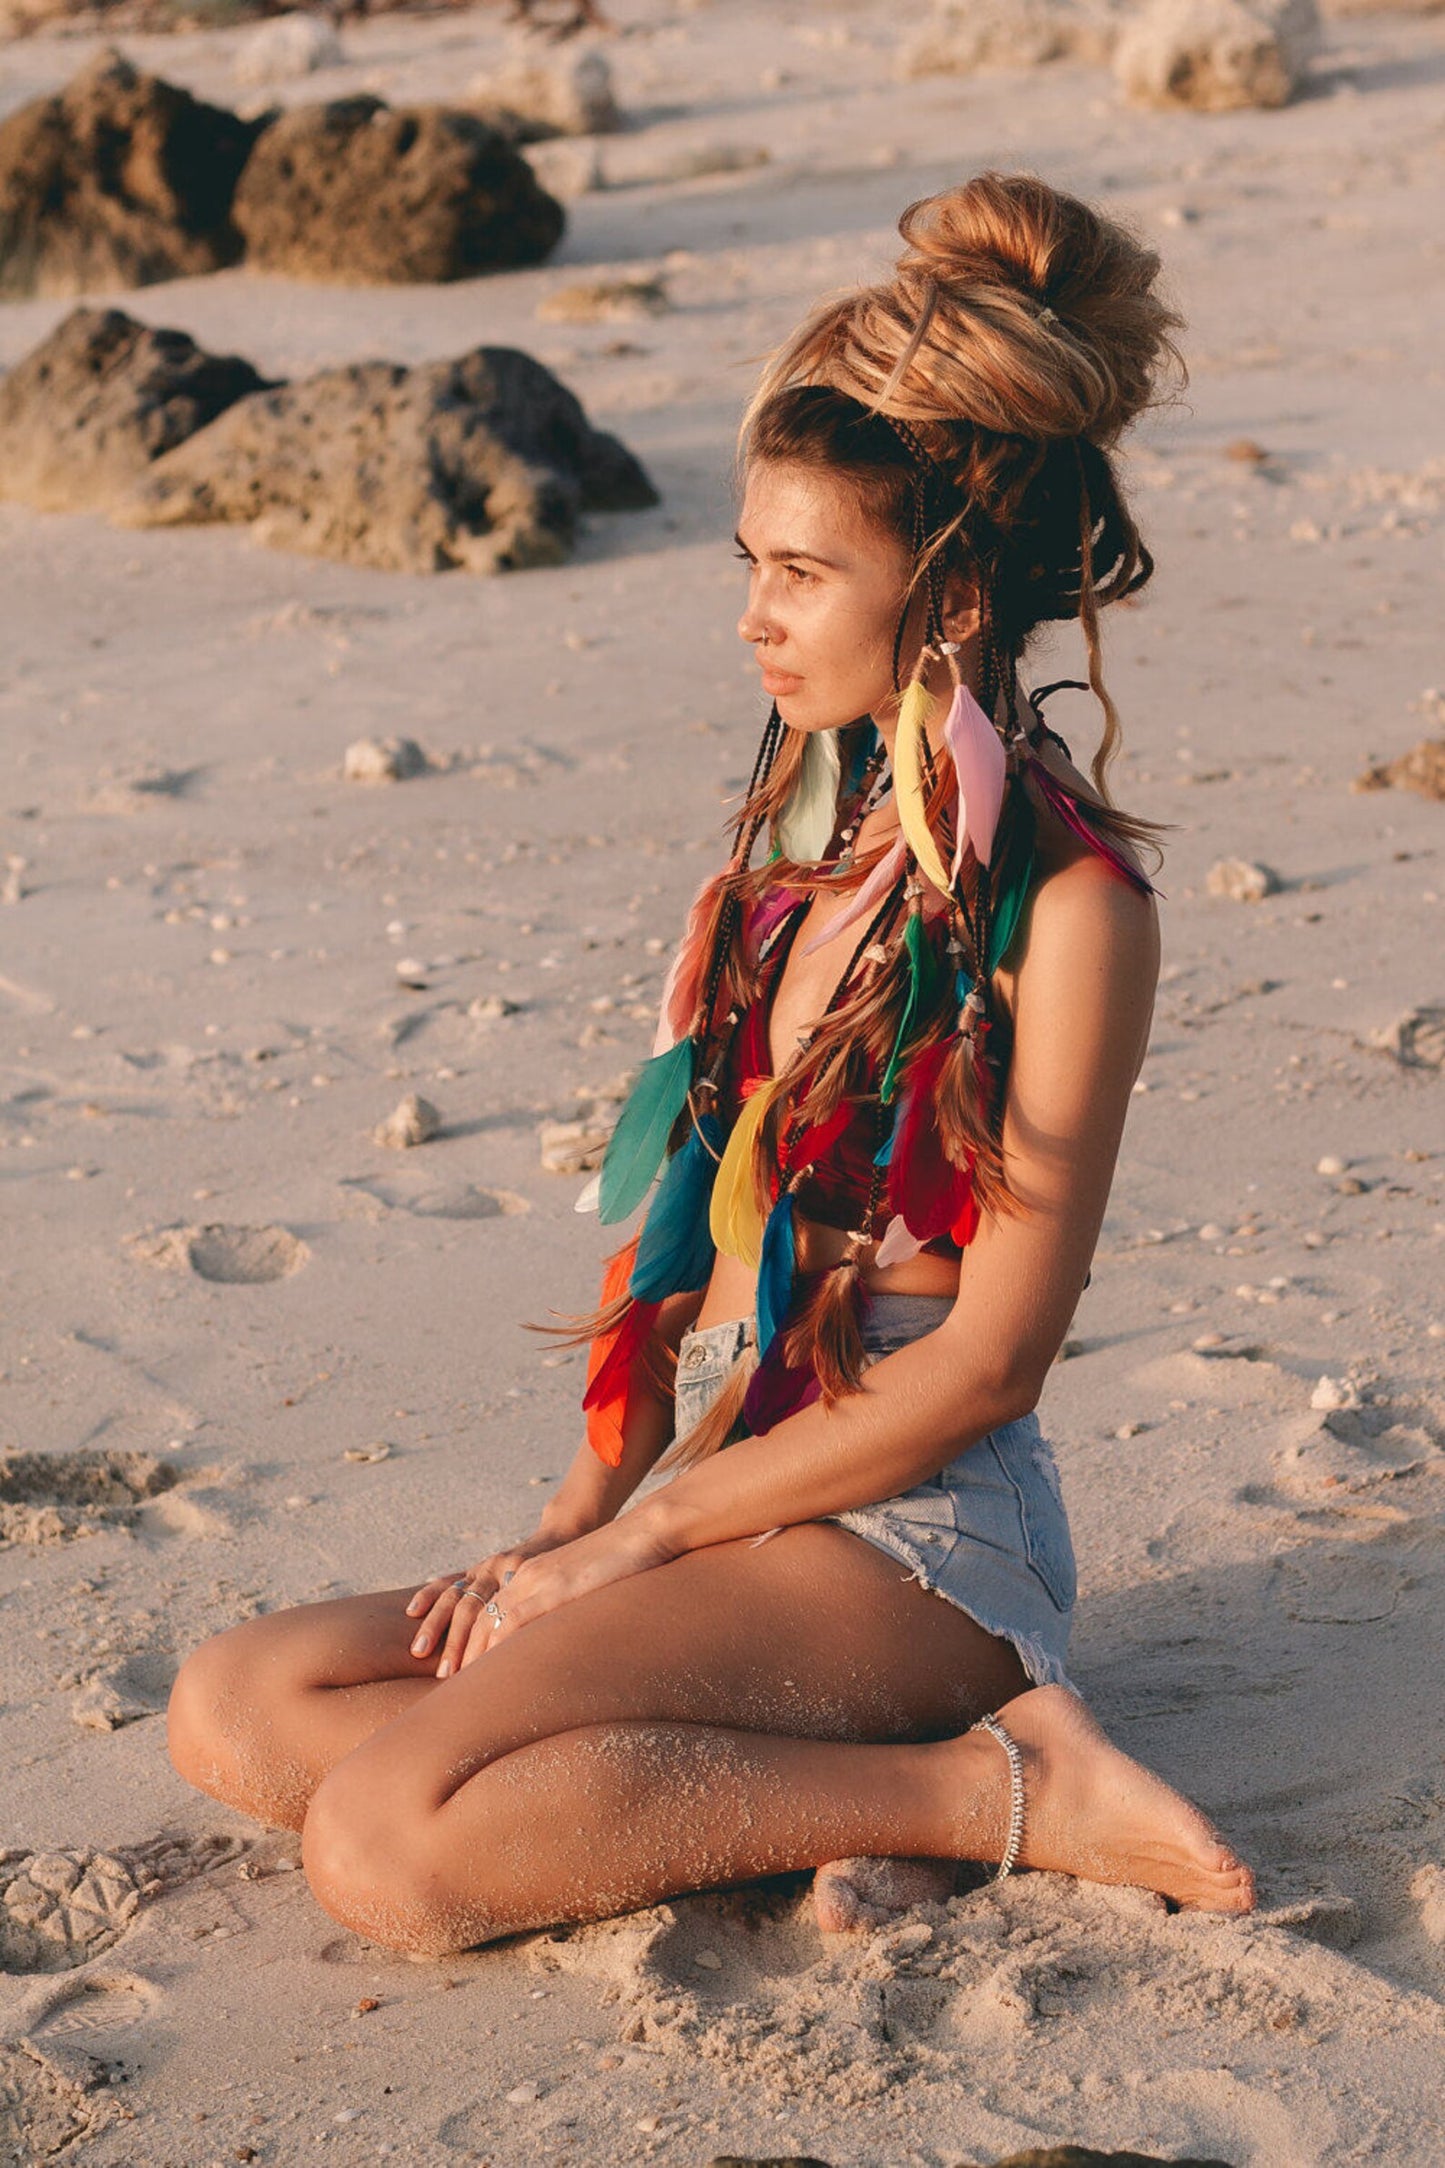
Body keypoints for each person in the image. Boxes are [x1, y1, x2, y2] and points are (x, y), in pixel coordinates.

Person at [168, 172, 1256, 1955]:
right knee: (242, 1701)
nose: (755, 615)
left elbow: (986, 1364)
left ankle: (995, 1790)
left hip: (922, 1545)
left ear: (953, 587)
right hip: (740, 1493)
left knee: (387, 1851)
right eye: (749, 562)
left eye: (804, 570)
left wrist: (639, 1559)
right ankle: (721, 1785)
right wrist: (575, 1518)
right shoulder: (783, 875)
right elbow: (674, 1247)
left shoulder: (1069, 913)